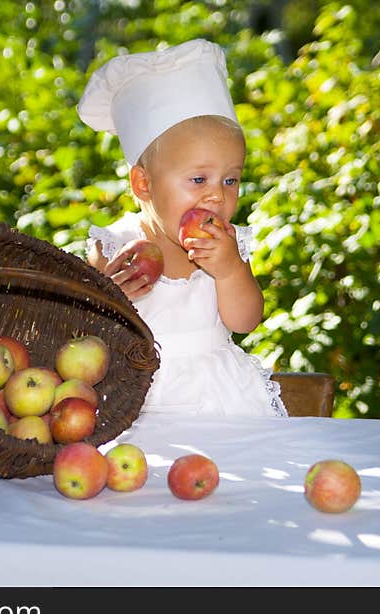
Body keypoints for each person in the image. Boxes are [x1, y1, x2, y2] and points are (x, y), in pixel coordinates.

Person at [78, 38, 286, 417]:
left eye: (230, 180)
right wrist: (108, 300)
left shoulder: (226, 244)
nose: (216, 197)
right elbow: (81, 337)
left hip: (222, 401)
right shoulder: (116, 247)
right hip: (140, 400)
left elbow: (245, 321)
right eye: (197, 180)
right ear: (143, 184)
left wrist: (229, 270)